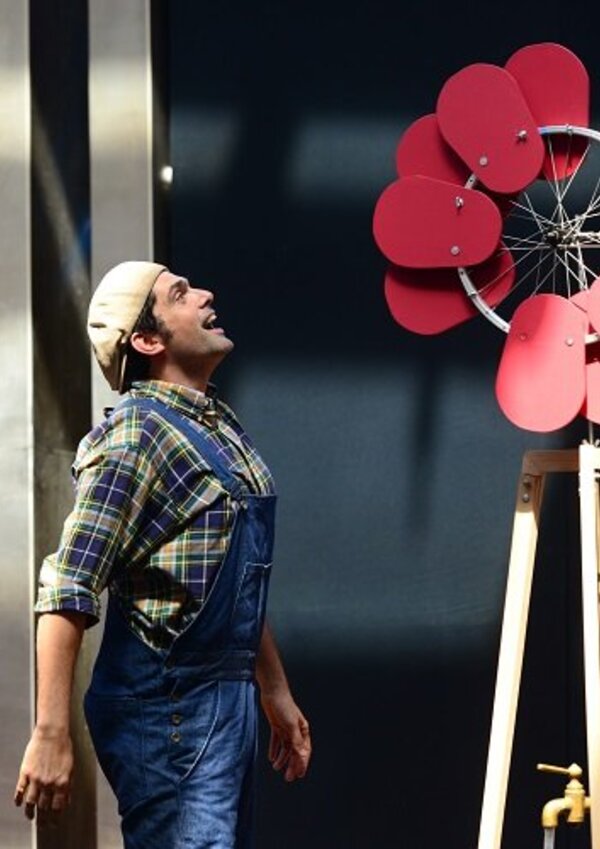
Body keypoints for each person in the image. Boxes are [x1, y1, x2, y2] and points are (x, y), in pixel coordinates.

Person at [14, 261, 311, 848]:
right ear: (148, 341)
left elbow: (225, 578)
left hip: (224, 700)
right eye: (180, 294)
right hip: (170, 709)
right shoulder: (135, 437)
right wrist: (50, 731)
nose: (205, 294)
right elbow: (69, 585)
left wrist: (271, 687)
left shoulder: (215, 425)